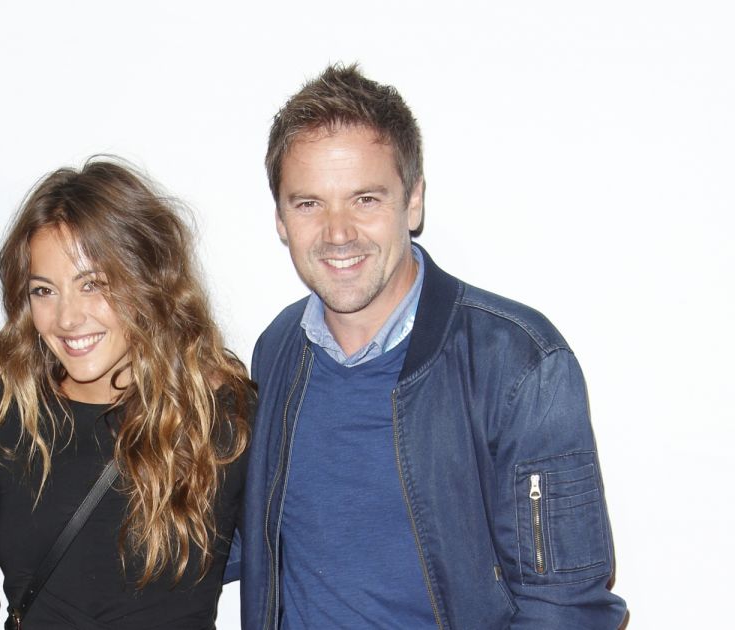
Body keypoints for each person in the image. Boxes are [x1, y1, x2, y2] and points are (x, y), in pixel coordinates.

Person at [234, 64, 628, 628]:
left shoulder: (517, 363)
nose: (337, 232)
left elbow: (565, 608)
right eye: (308, 203)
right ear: (279, 218)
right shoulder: (277, 352)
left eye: (365, 199)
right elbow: (245, 540)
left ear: (412, 202)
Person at [0, 159, 253, 629]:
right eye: (44, 291)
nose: (67, 318)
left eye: (92, 285)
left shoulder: (221, 416)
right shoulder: (10, 414)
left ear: (147, 279)